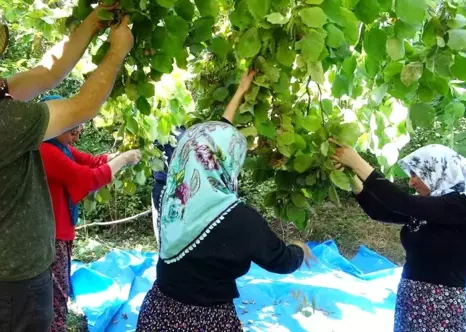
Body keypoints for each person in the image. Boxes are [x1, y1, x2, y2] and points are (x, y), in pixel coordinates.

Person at [0, 3, 133, 330]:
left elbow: (48, 72)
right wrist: (117, 52)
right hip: (14, 286)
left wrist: (91, 23)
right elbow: (82, 107)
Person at [136, 70, 316, 331]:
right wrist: (300, 249)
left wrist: (240, 92)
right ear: (229, 163)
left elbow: (208, 143)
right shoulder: (241, 221)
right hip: (209, 322)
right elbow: (281, 261)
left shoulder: (173, 202)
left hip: (159, 313)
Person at [329, 141, 466, 332]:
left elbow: (402, 202)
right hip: (411, 301)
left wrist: (357, 163)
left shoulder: (464, 206)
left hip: (440, 308)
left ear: (438, 170)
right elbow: (380, 212)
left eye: (416, 174)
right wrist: (351, 178)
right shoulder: (434, 207)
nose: (411, 181)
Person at [39, 95, 141, 332]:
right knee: (57, 293)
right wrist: (122, 160)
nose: (75, 136)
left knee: (59, 289)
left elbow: (91, 161)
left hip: (59, 232)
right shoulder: (45, 151)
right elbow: (88, 178)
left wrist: (113, 158)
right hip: (50, 236)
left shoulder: (59, 146)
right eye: (71, 130)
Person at [149, 69, 257, 245]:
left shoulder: (187, 135)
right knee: (172, 244)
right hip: (167, 193)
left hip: (190, 194)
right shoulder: (157, 131)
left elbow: (223, 127)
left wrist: (241, 90)